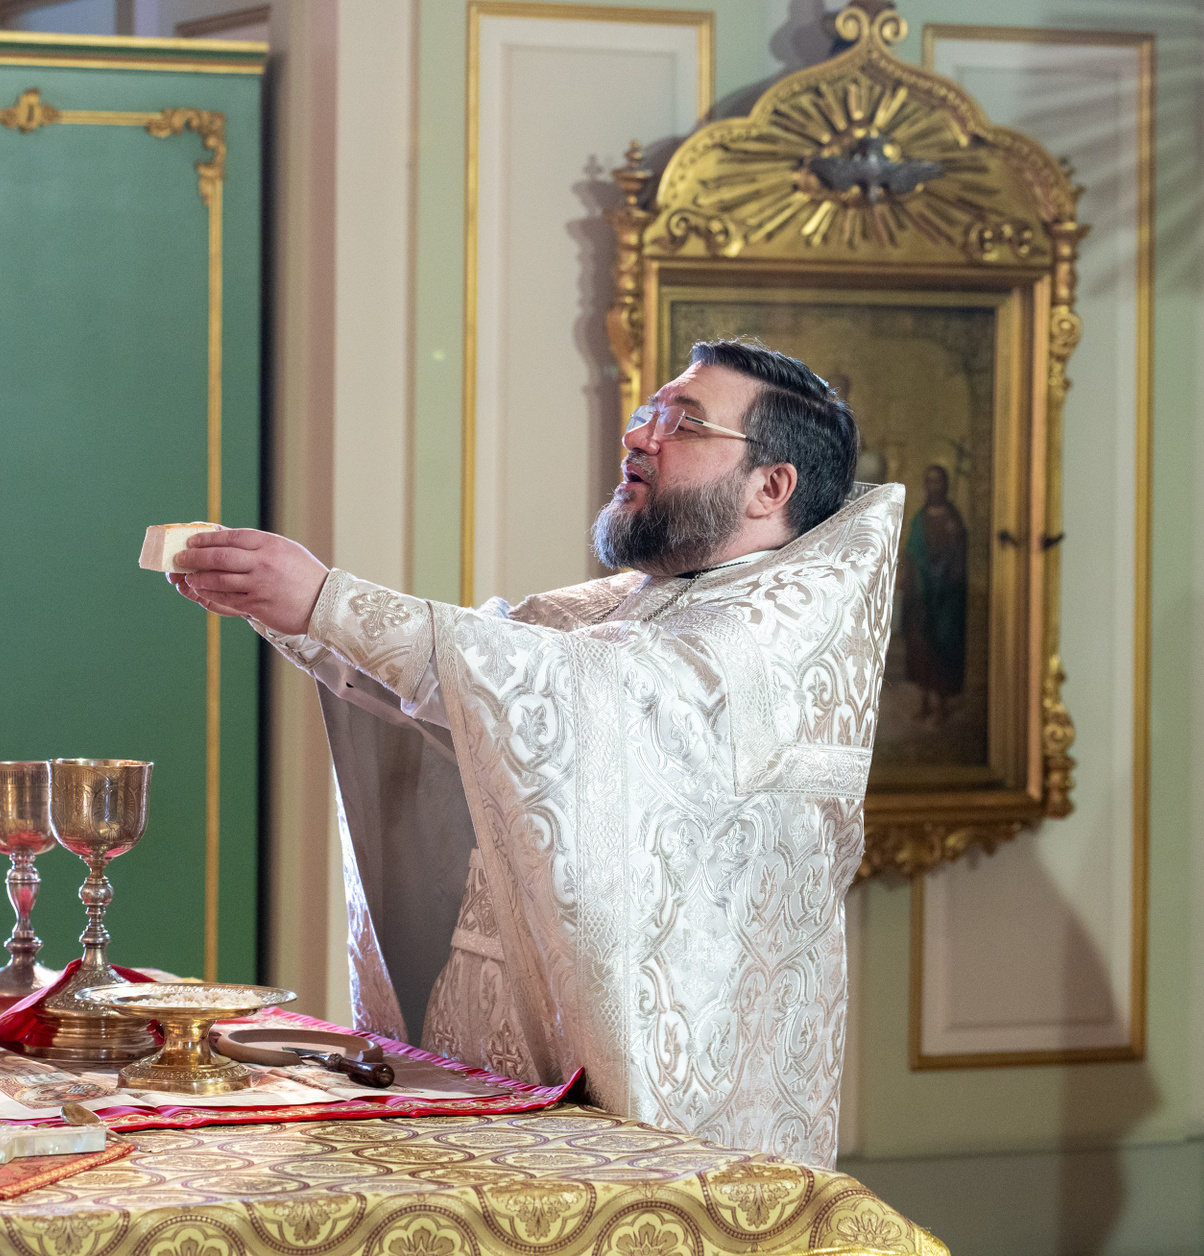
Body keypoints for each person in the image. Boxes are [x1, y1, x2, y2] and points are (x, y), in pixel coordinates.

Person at [168, 338, 902, 1167]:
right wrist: (291, 609)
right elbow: (467, 686)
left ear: (772, 486)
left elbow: (571, 687)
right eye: (649, 413)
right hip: (505, 1056)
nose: (639, 437)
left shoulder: (773, 637)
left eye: (684, 424)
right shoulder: (640, 602)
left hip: (681, 1125)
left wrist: (329, 601)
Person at [898, 463, 968, 722]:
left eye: (938, 481)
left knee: (943, 646)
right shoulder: (919, 519)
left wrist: (955, 538)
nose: (933, 486)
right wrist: (908, 580)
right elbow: (912, 554)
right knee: (922, 648)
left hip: (946, 598)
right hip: (922, 593)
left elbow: (959, 558)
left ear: (945, 485)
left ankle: (941, 706)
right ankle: (926, 702)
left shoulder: (953, 519)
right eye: (929, 481)